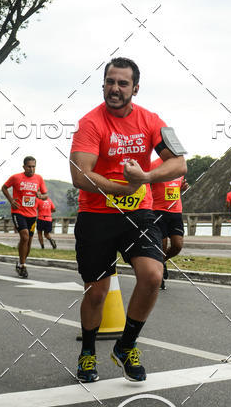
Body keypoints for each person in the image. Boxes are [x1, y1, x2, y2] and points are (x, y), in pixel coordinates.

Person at [70, 57, 187, 383]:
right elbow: (81, 174)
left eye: (123, 83)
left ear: (135, 88)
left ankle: (126, 344)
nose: (115, 89)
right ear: (103, 84)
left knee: (152, 275)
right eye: (110, 82)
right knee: (96, 293)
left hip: (139, 214)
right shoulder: (90, 123)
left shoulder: (151, 120)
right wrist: (124, 187)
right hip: (97, 215)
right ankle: (88, 352)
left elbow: (179, 164)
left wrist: (146, 176)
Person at [2, 157, 48, 278]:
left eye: (33, 166)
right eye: (29, 166)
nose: (31, 169)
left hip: (32, 214)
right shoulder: (16, 177)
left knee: (29, 241)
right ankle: (23, 265)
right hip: (18, 212)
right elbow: (4, 187)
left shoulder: (39, 178)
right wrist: (11, 200)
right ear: (24, 167)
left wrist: (41, 196)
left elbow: (45, 195)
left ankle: (21, 263)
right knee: (25, 236)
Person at [150, 157, 188, 289]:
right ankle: (159, 276)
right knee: (163, 245)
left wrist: (181, 189)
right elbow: (144, 183)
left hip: (176, 211)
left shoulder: (180, 164)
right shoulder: (153, 164)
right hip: (158, 210)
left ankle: (161, 262)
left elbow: (175, 186)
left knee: (177, 245)